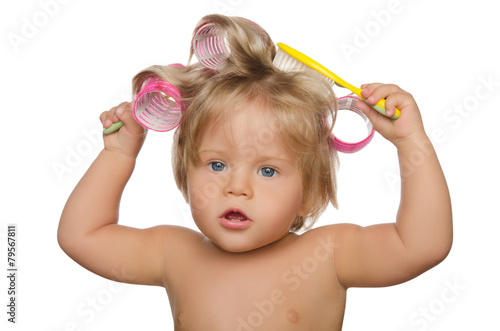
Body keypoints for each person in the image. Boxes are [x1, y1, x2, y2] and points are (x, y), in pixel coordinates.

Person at [58, 14, 453, 330]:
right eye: (216, 165)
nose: (236, 188)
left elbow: (422, 245)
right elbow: (82, 237)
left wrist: (412, 143)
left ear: (311, 195)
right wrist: (118, 156)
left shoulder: (327, 255)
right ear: (184, 178)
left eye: (267, 170)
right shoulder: (172, 253)